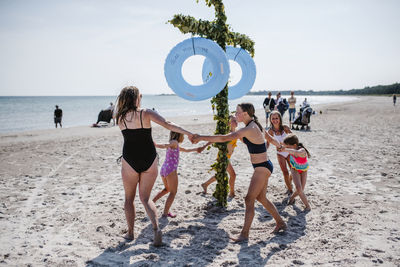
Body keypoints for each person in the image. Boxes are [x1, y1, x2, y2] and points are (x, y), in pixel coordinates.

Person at [192, 103, 287, 242]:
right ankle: (280, 222)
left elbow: (225, 138)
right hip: (264, 165)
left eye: (238, 112)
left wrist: (201, 137)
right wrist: (279, 146)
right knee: (261, 198)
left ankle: (244, 235)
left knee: (249, 199)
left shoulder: (251, 128)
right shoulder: (255, 125)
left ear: (246, 114)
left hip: (262, 167)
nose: (236, 115)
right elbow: (269, 139)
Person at [115, 86, 193, 246]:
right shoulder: (146, 113)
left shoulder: (119, 117)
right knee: (145, 198)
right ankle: (156, 229)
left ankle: (130, 233)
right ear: (136, 98)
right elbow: (168, 124)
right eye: (139, 96)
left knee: (129, 199)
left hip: (129, 159)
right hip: (149, 158)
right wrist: (188, 133)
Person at [152, 131, 204, 218]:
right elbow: (165, 145)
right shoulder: (174, 142)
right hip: (171, 170)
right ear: (179, 135)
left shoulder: (175, 145)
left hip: (164, 168)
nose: (183, 138)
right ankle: (165, 213)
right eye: (182, 136)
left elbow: (186, 150)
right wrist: (156, 145)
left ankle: (151, 203)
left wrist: (196, 149)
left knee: (167, 189)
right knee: (173, 192)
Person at [200, 115, 238, 198]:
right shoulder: (227, 134)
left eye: (236, 120)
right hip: (223, 157)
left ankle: (205, 184)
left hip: (227, 157)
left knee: (220, 174)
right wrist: (203, 146)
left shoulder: (236, 133)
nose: (235, 122)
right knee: (233, 175)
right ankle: (232, 193)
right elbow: (214, 139)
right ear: (228, 123)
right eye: (233, 120)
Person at [282, 134, 311, 211]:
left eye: (288, 146)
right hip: (294, 169)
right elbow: (283, 145)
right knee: (299, 188)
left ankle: (292, 197)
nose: (287, 148)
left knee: (301, 190)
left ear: (295, 145)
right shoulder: (291, 148)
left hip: (304, 170)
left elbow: (296, 152)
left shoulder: (302, 151)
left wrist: (286, 149)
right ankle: (307, 206)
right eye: (286, 147)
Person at [267, 111, 293, 194]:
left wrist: (295, 148)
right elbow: (267, 144)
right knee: (285, 172)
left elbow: (293, 138)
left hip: (289, 152)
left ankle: (289, 181)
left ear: (280, 119)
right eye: (273, 118)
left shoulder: (285, 128)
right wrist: (263, 152)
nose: (275, 120)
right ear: (270, 120)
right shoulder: (270, 131)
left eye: (276, 118)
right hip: (280, 153)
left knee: (293, 170)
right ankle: (290, 190)